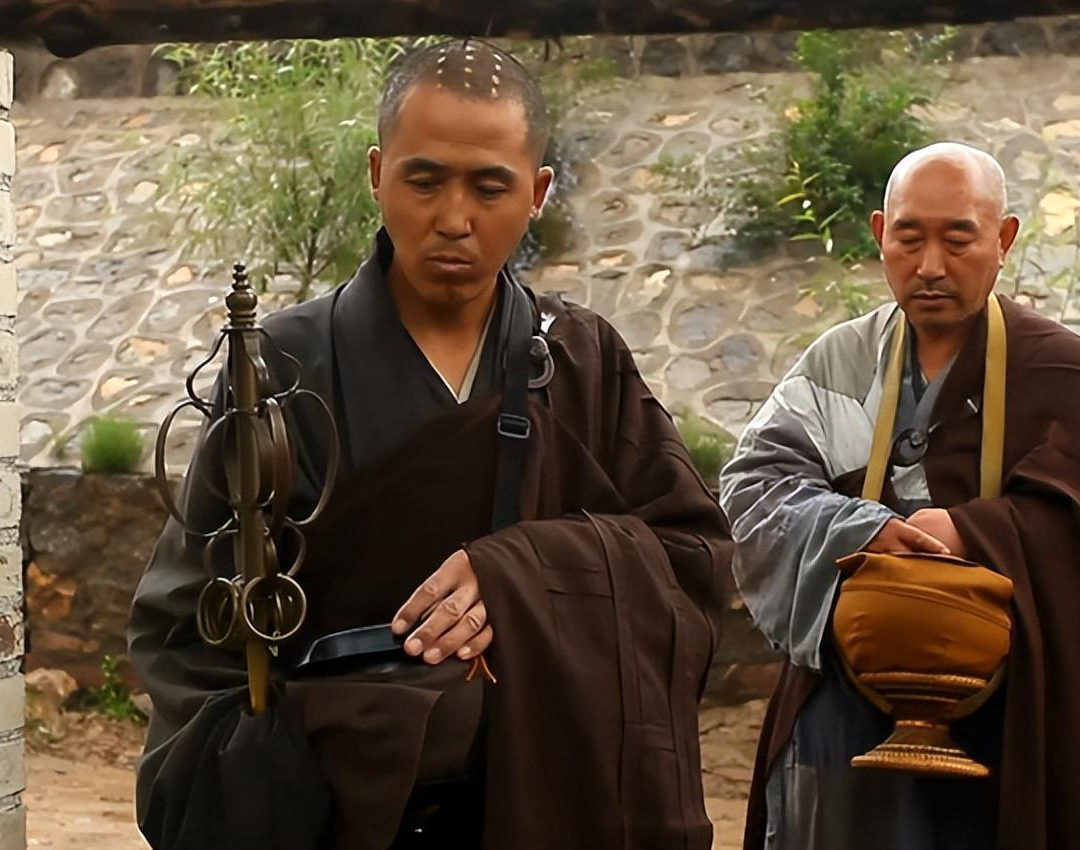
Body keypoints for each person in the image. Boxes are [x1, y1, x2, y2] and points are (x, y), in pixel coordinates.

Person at [129, 39, 732, 850]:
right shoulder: (281, 368)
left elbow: (692, 562)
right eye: (424, 181)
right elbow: (183, 624)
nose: (454, 219)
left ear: (538, 192)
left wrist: (523, 574)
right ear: (378, 175)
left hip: (541, 799)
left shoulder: (581, 361)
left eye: (489, 186)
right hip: (339, 809)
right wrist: (277, 768)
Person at [720, 142, 1080, 850]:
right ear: (879, 234)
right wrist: (859, 531)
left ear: (1004, 239)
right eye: (909, 238)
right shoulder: (840, 363)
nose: (930, 265)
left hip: (1016, 701)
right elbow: (754, 488)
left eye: (958, 240)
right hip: (855, 681)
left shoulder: (1059, 370)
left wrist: (972, 533)